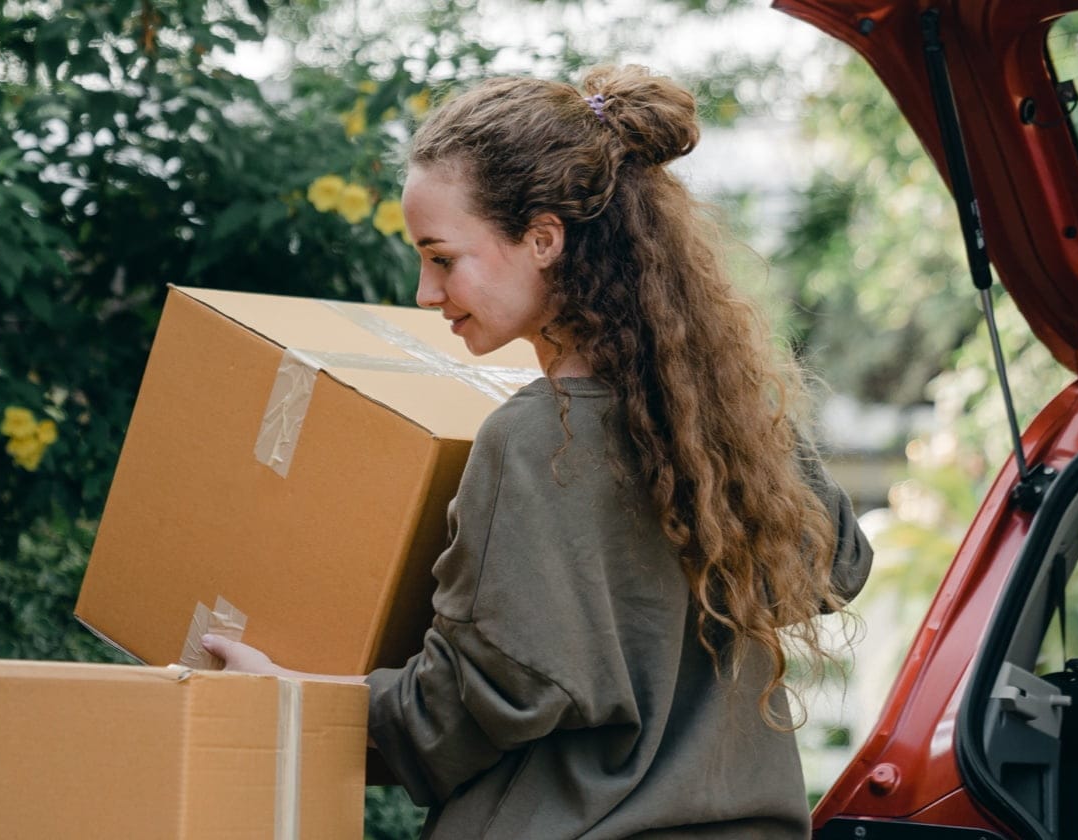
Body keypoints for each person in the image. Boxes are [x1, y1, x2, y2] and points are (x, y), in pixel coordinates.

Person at [201, 64, 872, 839]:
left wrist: (297, 702)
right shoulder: (716, 421)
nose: (424, 292)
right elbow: (837, 565)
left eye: (443, 257)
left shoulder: (532, 440)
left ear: (544, 238)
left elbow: (486, 696)